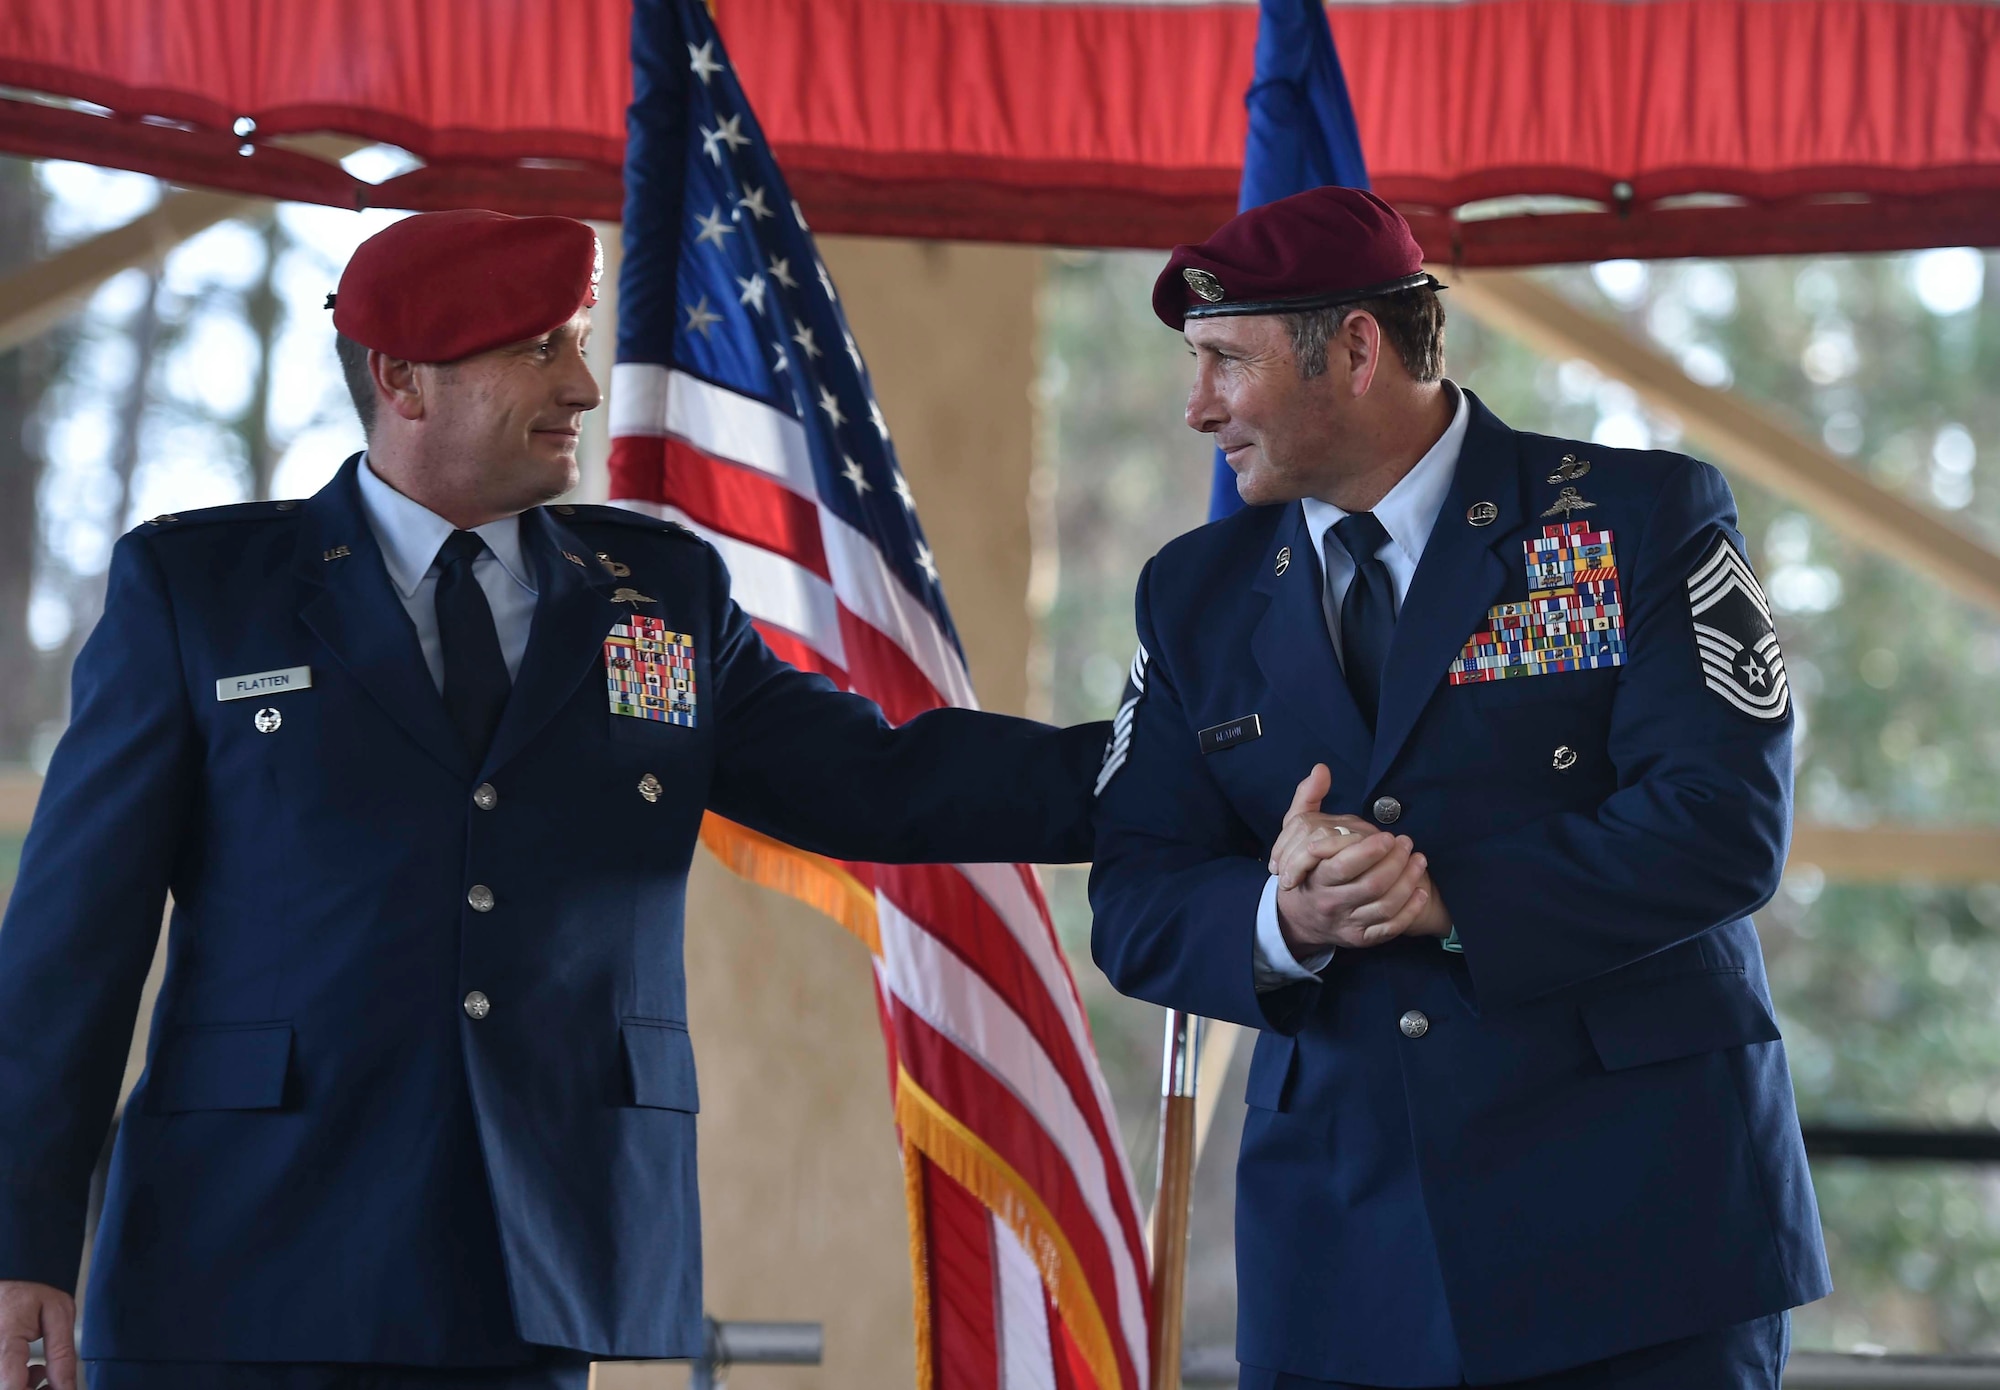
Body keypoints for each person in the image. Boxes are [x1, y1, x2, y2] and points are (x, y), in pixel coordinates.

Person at [0, 209, 1110, 1390]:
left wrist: (1166, 780)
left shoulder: (660, 592)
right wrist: (21, 1235)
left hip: (523, 1277)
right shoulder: (200, 590)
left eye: (575, 339)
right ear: (401, 379)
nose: (582, 385)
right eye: (537, 348)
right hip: (238, 1269)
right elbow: (73, 943)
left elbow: (883, 782)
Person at [1089, 186, 1828, 1389]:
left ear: (1359, 349)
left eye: (1225, 360)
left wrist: (1443, 897)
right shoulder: (1192, 592)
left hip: (1634, 1239)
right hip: (1343, 1254)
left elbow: (1721, 827)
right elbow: (1135, 893)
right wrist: (1286, 918)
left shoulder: (1637, 520)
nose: (1196, 407)